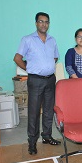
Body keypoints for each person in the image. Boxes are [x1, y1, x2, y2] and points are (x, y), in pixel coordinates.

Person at [13, 12, 61, 155]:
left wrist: (47, 67)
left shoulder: (52, 40)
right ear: (36, 23)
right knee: (34, 112)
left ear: (49, 24)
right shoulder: (27, 39)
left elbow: (56, 57)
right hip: (35, 80)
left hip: (50, 79)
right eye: (41, 21)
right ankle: (32, 142)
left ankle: (47, 136)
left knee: (48, 110)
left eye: (46, 22)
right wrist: (30, 68)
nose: (44, 24)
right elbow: (17, 58)